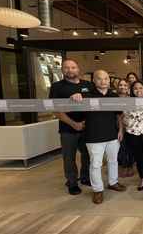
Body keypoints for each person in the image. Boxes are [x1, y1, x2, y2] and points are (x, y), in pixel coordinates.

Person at [70, 70, 127, 204]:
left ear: (109, 80)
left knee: (113, 162)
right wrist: (73, 98)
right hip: (94, 137)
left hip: (112, 135)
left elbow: (119, 114)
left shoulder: (114, 96)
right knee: (95, 165)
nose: (103, 81)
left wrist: (120, 130)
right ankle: (98, 190)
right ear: (94, 81)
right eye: (99, 79)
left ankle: (113, 182)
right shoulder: (85, 96)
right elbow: (67, 108)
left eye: (106, 79)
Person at [49, 59, 94, 195]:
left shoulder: (88, 85)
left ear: (78, 69)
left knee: (88, 155)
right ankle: (72, 182)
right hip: (68, 128)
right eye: (67, 68)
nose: (70, 70)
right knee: (69, 157)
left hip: (87, 127)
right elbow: (55, 109)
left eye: (73, 67)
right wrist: (74, 124)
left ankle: (85, 177)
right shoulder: (57, 87)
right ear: (62, 70)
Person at [117, 79, 135, 178]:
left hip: (131, 126)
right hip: (118, 126)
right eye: (121, 85)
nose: (123, 87)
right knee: (122, 147)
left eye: (125, 85)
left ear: (128, 87)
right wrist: (121, 127)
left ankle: (131, 166)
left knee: (131, 147)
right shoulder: (115, 98)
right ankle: (125, 166)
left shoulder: (132, 98)